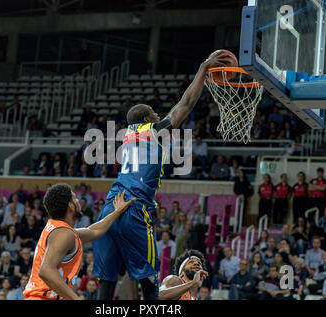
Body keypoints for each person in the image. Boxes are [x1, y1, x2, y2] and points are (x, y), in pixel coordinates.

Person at [92, 53, 228, 301]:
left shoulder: (127, 135)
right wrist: (203, 68)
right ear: (146, 120)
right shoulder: (152, 130)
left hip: (110, 207)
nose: (159, 116)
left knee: (107, 282)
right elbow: (184, 105)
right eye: (154, 113)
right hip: (134, 208)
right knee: (149, 284)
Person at [23, 184, 135, 300]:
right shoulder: (63, 234)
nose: (78, 201)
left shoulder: (60, 230)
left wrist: (117, 211)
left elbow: (93, 231)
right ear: (70, 206)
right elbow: (46, 270)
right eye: (75, 198)